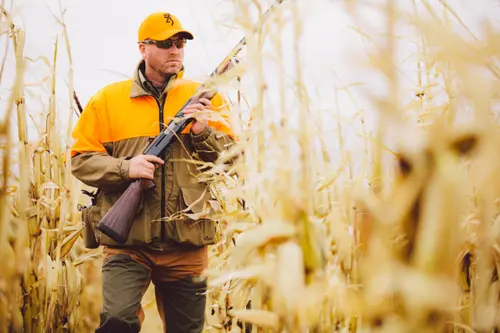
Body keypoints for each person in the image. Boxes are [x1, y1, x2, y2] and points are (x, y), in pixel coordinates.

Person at [70, 11, 235, 333]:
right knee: (117, 321)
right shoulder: (108, 100)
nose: (175, 50)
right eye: (164, 43)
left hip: (187, 242)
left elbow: (232, 161)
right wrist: (125, 167)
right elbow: (80, 159)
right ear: (143, 48)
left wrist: (202, 130)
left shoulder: (207, 99)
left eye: (180, 43)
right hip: (127, 243)